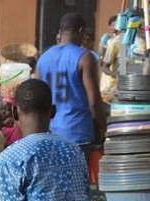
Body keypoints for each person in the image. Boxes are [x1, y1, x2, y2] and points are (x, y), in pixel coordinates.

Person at [36, 13, 106, 172]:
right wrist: (102, 127)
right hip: (77, 133)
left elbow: (38, 99)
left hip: (50, 132)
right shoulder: (85, 57)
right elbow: (94, 101)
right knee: (77, 186)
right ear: (81, 31)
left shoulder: (43, 59)